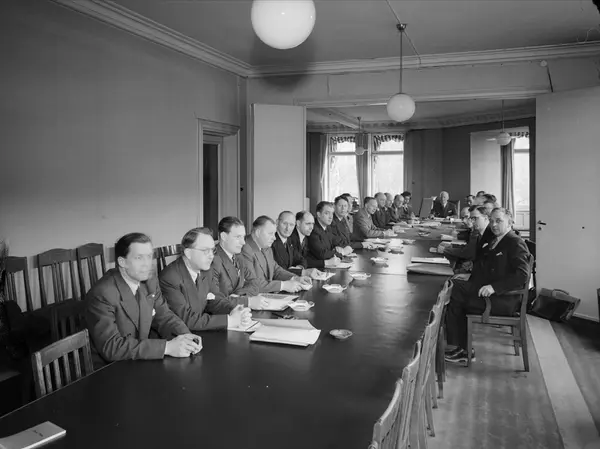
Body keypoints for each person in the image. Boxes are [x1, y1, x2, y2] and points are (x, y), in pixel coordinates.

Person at [86, 233, 202, 368]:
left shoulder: (149, 280)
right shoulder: (102, 294)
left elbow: (165, 316)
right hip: (110, 369)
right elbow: (112, 347)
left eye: (149, 256)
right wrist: (167, 347)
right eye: (139, 258)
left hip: (140, 358)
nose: (147, 264)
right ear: (122, 262)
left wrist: (186, 336)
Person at [445, 208, 530, 365]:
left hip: (502, 299)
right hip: (489, 292)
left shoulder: (515, 242)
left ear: (510, 222)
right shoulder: (498, 239)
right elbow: (489, 267)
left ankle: (461, 348)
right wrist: (469, 276)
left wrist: (494, 287)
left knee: (455, 292)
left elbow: (522, 275)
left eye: (498, 221)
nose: (494, 225)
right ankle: (460, 346)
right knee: (453, 287)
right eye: (491, 221)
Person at [159, 227, 252, 332]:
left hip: (200, 330)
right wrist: (229, 320)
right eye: (205, 251)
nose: (211, 256)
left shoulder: (206, 269)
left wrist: (234, 310)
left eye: (212, 250)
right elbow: (186, 319)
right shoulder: (170, 278)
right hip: (181, 336)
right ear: (188, 253)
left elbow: (214, 301)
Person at [240, 216, 311, 293]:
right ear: (258, 233)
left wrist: (295, 278)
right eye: (270, 234)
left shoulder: (266, 248)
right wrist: (284, 285)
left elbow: (276, 270)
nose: (274, 238)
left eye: (274, 234)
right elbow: (253, 283)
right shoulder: (244, 249)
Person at [212, 217, 268, 309]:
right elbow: (214, 301)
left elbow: (254, 282)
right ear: (224, 236)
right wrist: (247, 301)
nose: (243, 242)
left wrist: (238, 296)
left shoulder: (239, 256)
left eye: (243, 237)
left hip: (239, 310)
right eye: (238, 237)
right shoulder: (212, 260)